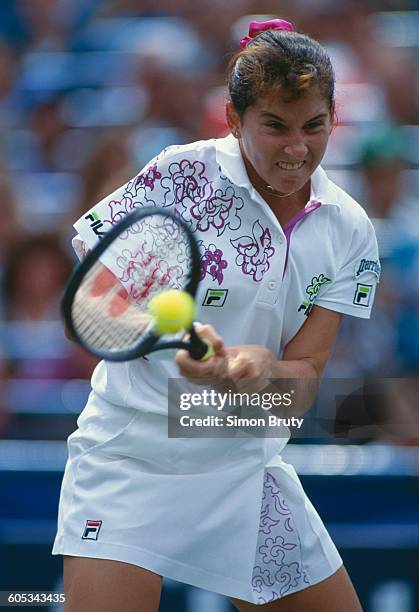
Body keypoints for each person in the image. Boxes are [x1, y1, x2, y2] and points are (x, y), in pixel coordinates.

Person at [52, 18, 380, 611]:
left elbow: (303, 383)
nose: (297, 148)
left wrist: (259, 373)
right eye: (275, 127)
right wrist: (152, 331)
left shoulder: (349, 229)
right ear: (234, 119)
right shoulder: (182, 176)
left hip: (244, 467)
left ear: (336, 117)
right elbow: (98, 299)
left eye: (314, 126)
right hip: (134, 458)